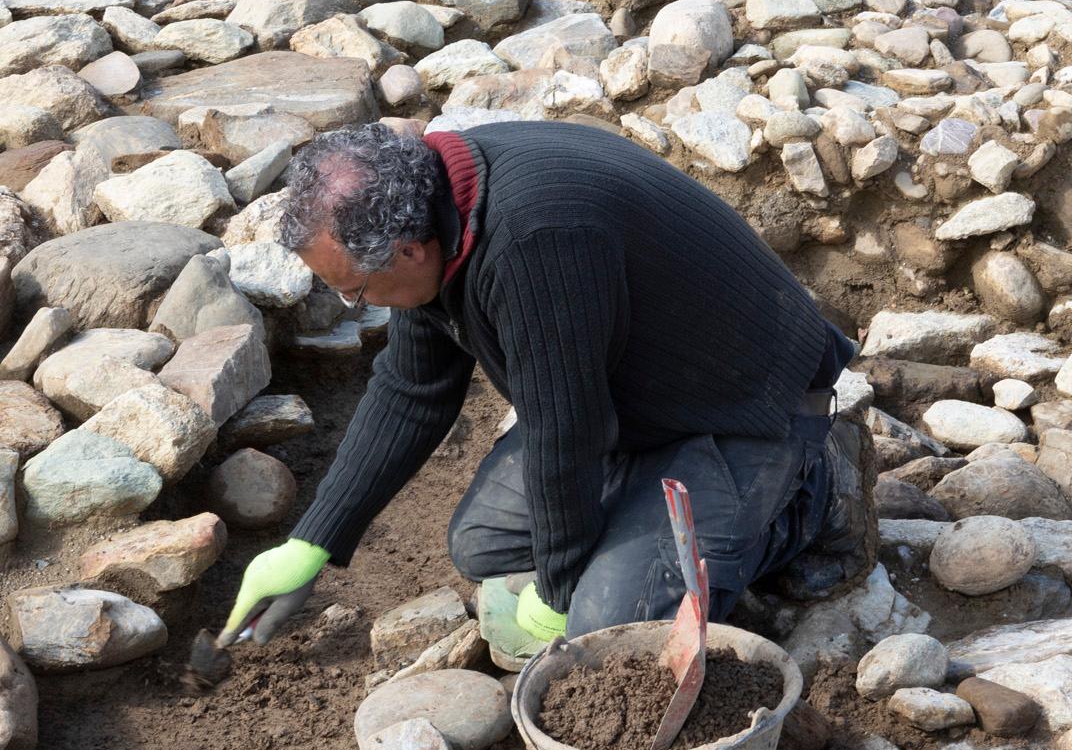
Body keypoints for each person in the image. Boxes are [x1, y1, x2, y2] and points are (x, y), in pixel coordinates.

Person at [221, 120, 876, 650]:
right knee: (484, 545)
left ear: (408, 251)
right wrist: (312, 541)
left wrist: (562, 597)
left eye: (354, 289)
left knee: (611, 627)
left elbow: (568, 432)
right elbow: (411, 390)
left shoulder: (534, 241)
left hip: (747, 406)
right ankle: (661, 518)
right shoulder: (434, 208)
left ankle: (812, 494)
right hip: (636, 399)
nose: (356, 302)